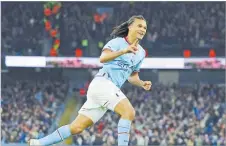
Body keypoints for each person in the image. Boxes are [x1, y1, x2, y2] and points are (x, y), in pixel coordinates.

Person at [29, 15, 152, 146]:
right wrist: (123, 51)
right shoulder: (118, 42)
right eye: (139, 26)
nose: (143, 29)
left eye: (144, 27)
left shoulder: (141, 53)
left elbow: (132, 77)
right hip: (103, 84)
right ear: (130, 26)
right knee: (129, 112)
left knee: (76, 127)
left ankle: (38, 143)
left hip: (107, 90)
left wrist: (141, 83)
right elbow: (103, 58)